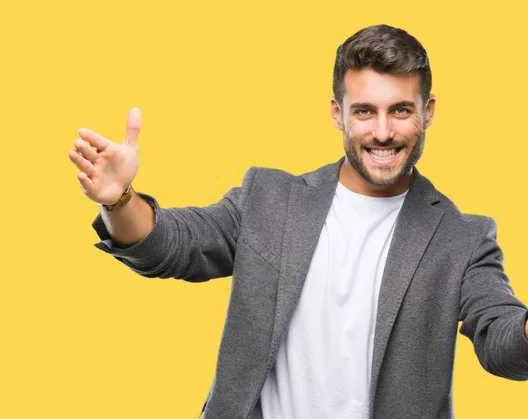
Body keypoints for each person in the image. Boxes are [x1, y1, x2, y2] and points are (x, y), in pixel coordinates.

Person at [68, 24, 528, 419]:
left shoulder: (463, 238)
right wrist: (119, 199)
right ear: (337, 113)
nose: (382, 131)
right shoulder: (270, 199)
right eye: (364, 111)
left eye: (400, 110)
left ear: (427, 112)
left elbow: (503, 341)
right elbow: (174, 246)